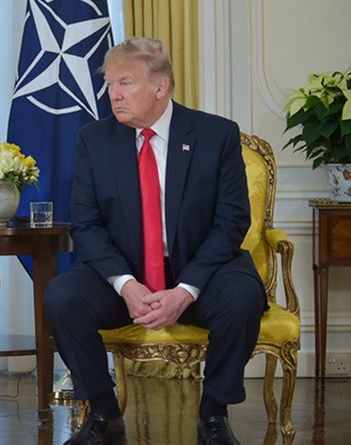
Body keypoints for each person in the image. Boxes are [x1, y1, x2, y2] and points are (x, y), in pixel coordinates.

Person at [44, 37, 266, 445]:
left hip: (201, 269)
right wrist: (126, 285)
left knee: (242, 297)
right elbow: (88, 226)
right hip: (127, 272)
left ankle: (213, 414)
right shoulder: (94, 139)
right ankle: (104, 413)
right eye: (110, 84)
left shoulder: (215, 135)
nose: (114, 94)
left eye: (125, 83)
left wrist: (185, 290)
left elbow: (231, 222)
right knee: (62, 295)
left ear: (160, 87)